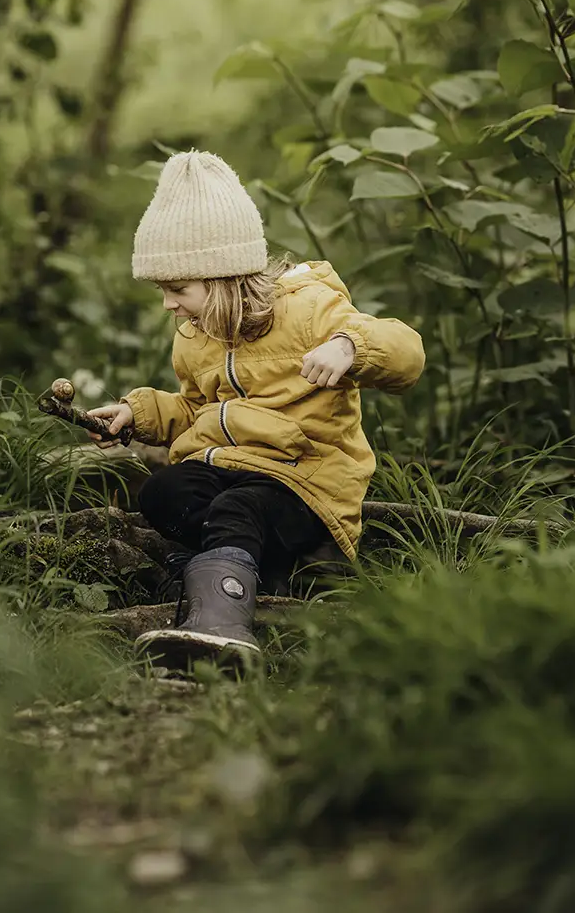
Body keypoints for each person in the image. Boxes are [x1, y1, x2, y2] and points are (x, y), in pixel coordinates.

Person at [86, 149, 424, 671]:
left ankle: (219, 625)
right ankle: (253, 573)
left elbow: (405, 353)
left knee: (238, 511)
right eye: (163, 291)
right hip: (231, 469)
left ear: (224, 278)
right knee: (164, 490)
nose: (168, 305)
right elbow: (197, 410)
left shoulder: (309, 310)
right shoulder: (195, 339)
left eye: (178, 289)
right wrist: (141, 413)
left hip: (305, 479)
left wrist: (349, 347)